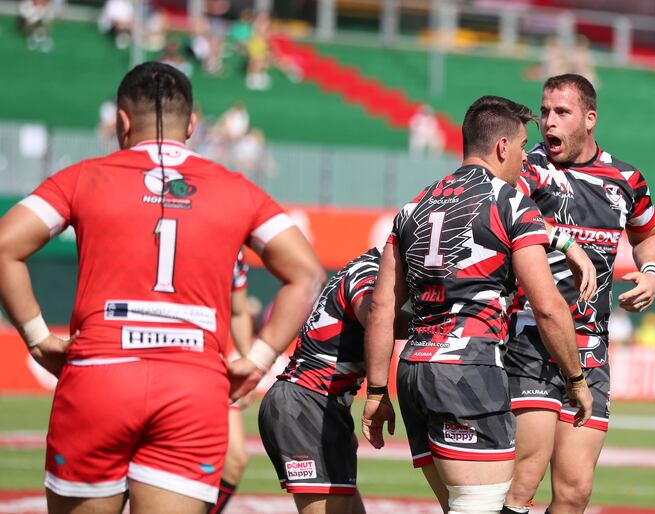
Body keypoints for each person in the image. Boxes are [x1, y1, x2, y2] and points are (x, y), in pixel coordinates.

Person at [0, 62, 325, 514]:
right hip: (192, 385)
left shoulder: (84, 177)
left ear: (121, 121)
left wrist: (37, 339)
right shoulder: (238, 190)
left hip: (99, 373)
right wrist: (256, 361)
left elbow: (4, 246)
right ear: (192, 125)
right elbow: (307, 274)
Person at [361, 95, 593, 514]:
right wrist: (576, 379)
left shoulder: (413, 206)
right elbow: (548, 307)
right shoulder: (510, 202)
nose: (526, 158)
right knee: (480, 508)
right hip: (468, 370)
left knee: (462, 507)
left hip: (412, 372)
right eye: (523, 146)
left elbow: (381, 310)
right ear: (503, 147)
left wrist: (377, 391)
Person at [504, 74, 655, 514]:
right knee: (523, 480)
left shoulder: (625, 179)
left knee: (575, 489)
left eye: (561, 113)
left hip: (591, 347)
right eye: (544, 112)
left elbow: (649, 233)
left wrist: (651, 272)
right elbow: (505, 217)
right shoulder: (527, 169)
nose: (548, 122)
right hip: (528, 339)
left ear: (589, 119)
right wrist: (564, 243)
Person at [259, 247, 383, 514]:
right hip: (306, 403)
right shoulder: (370, 271)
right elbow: (375, 318)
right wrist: (378, 392)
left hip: (320, 404)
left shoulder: (365, 268)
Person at [209, 250, 255, 514]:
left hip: (214, 362)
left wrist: (248, 362)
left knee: (234, 459)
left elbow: (238, 311)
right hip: (164, 356)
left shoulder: (234, 249)